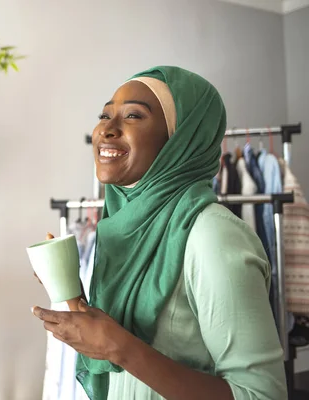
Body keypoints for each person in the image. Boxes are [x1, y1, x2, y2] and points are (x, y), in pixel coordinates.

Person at [31, 66, 287, 400]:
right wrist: (75, 299)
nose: (106, 129)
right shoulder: (123, 226)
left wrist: (119, 348)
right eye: (104, 115)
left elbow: (262, 395)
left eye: (133, 116)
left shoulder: (212, 235)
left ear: (181, 139)